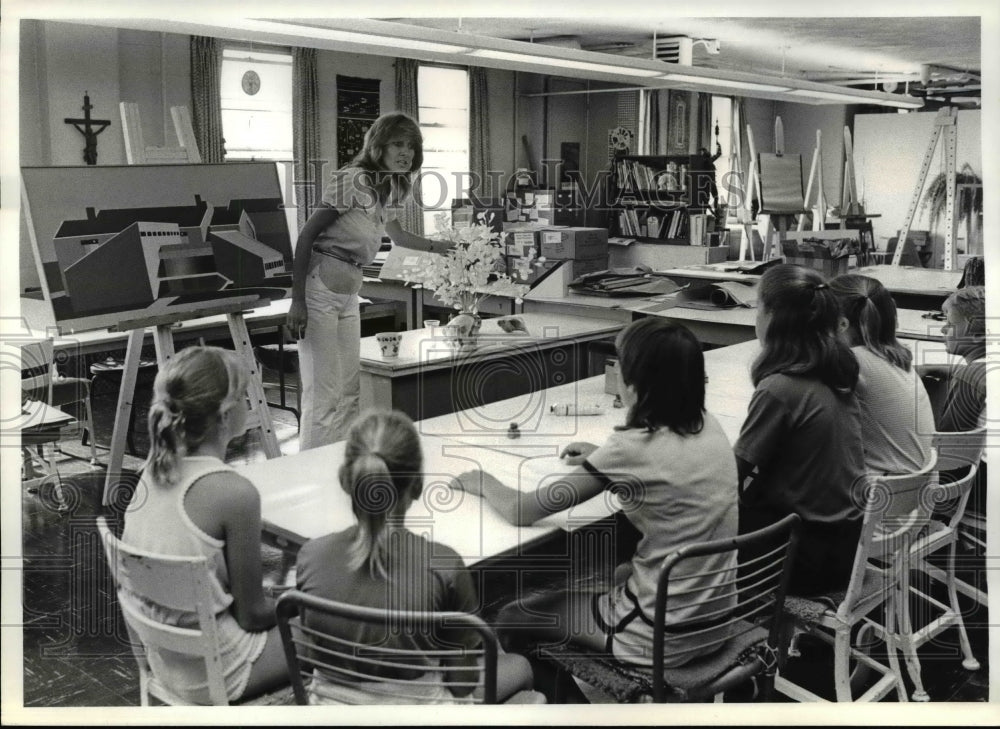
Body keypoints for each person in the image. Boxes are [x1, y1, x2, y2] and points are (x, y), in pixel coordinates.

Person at [454, 318, 738, 678]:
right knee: (618, 573)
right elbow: (661, 472)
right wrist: (601, 459)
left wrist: (483, 481)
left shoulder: (630, 450)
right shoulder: (708, 425)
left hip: (660, 636)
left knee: (513, 614)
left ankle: (565, 708)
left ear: (635, 384)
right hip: (715, 620)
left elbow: (521, 510)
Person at [294, 409, 537, 704]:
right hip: (422, 715)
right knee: (520, 667)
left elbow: (308, 656)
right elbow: (462, 685)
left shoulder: (310, 556)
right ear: (418, 485)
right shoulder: (444, 567)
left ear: (346, 481)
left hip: (331, 712)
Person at [122, 346, 288, 704]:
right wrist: (298, 601)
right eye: (245, 395)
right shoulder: (233, 492)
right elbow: (254, 616)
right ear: (227, 415)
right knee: (335, 624)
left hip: (168, 662)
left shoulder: (150, 474)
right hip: (221, 669)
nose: (250, 402)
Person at [286, 112, 450, 449]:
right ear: (378, 146)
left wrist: (443, 246)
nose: (406, 152)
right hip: (319, 290)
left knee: (349, 391)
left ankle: (339, 464)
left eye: (411, 146)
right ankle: (311, 470)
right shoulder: (354, 180)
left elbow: (400, 237)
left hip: (348, 294)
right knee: (324, 393)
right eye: (397, 144)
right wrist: (297, 299)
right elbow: (306, 234)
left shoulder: (392, 186)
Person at [734, 264, 866, 596]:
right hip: (844, 547)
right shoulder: (834, 372)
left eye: (758, 307)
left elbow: (730, 474)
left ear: (775, 317)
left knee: (678, 516)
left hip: (802, 556)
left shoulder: (780, 388)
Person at [829, 273, 935, 474]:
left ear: (842, 324)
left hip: (881, 494)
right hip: (916, 490)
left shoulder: (852, 360)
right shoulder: (895, 355)